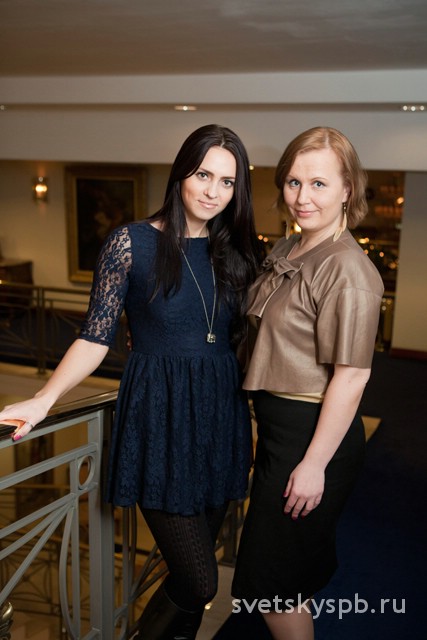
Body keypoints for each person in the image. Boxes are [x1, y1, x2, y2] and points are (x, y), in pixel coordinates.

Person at [0, 124, 262, 639]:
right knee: (201, 580)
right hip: (161, 421)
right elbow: (95, 336)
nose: (213, 191)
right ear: (180, 174)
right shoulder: (132, 243)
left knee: (191, 578)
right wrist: (44, 399)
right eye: (203, 175)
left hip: (219, 422)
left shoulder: (237, 251)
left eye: (227, 181)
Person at [231, 126, 384, 640]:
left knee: (273, 586)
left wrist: (314, 464)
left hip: (313, 437)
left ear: (347, 189)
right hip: (281, 432)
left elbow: (353, 375)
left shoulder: (348, 269)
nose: (302, 197)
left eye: (319, 184)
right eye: (294, 182)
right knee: (285, 576)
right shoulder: (290, 246)